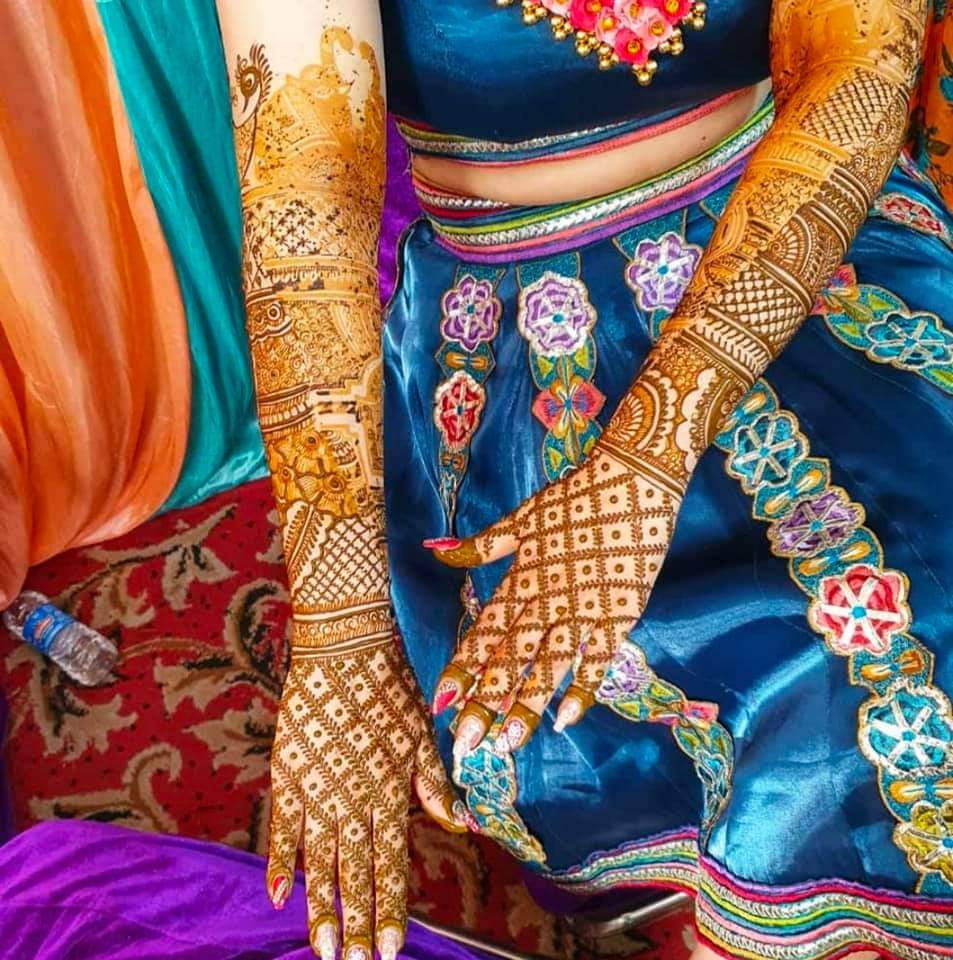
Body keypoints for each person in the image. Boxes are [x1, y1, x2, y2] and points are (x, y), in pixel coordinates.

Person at [213, 1, 953, 958]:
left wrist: (648, 452)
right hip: (515, 344)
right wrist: (341, 632)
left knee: (913, 612)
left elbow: (856, 69)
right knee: (652, 676)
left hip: (802, 243)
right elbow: (304, 199)